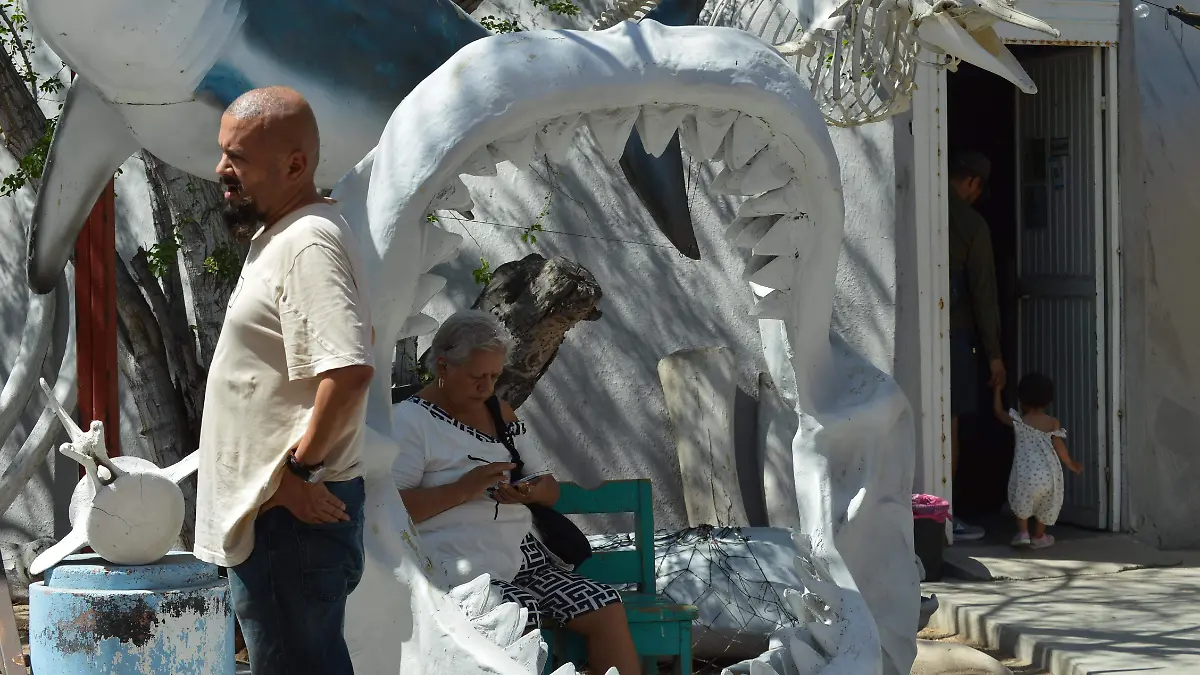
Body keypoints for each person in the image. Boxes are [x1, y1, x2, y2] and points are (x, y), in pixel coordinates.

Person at [193, 86, 375, 675]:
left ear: (295, 164)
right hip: (280, 522)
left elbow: (346, 372)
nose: (222, 169)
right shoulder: (284, 235)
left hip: (290, 521)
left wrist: (297, 476)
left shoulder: (306, 243)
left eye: (238, 157)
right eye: (223, 153)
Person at [391, 310, 641, 675]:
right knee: (518, 615)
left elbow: (550, 489)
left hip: (524, 552)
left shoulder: (500, 413)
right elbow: (394, 509)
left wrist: (531, 492)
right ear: (442, 367)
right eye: (478, 376)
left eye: (494, 376)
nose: (487, 387)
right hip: (460, 564)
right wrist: (464, 488)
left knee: (603, 605)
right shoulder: (409, 422)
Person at [947, 151, 1006, 542]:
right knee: (949, 422)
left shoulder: (922, 207)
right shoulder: (971, 224)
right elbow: (984, 294)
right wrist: (995, 354)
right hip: (955, 336)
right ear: (972, 182)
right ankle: (944, 514)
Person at [992, 373, 1082, 549]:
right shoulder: (1052, 422)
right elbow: (1059, 445)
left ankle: (1023, 533)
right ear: (1049, 400)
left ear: (1022, 399)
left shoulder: (1019, 421)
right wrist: (1071, 463)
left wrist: (997, 390)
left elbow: (998, 412)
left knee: (1023, 501)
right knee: (1045, 505)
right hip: (1048, 475)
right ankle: (1039, 536)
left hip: (1025, 474)